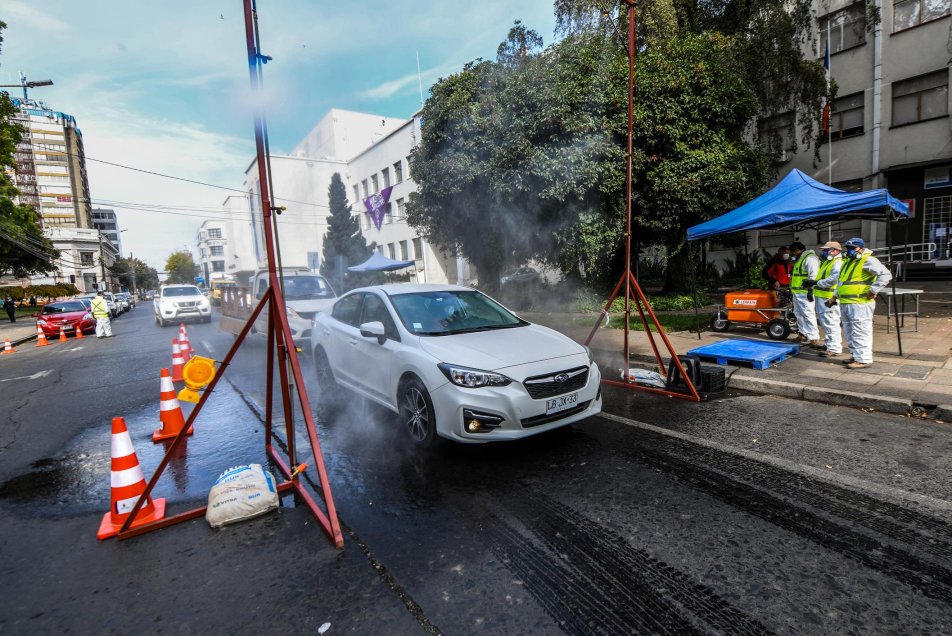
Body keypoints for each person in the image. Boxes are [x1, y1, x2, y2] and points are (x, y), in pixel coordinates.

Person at [834, 237, 892, 369]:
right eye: (847, 248)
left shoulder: (868, 260)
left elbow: (885, 275)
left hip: (860, 303)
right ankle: (856, 355)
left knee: (860, 331)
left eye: (851, 248)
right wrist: (835, 296)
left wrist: (873, 290)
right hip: (847, 302)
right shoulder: (848, 262)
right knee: (850, 332)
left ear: (860, 248)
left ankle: (863, 359)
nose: (848, 251)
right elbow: (842, 282)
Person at [814, 241, 843, 357]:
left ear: (835, 251)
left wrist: (817, 283)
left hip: (829, 297)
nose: (824, 252)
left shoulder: (838, 262)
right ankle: (829, 344)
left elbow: (833, 279)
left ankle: (834, 348)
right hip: (823, 296)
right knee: (826, 322)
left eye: (827, 250)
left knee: (831, 322)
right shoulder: (829, 262)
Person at [789, 241, 820, 346]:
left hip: (805, 292)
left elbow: (813, 276)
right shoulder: (801, 259)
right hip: (798, 292)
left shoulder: (810, 259)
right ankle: (802, 334)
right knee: (799, 314)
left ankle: (813, 337)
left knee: (808, 314)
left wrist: (810, 290)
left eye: (793, 251)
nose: (793, 254)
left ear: (798, 250)